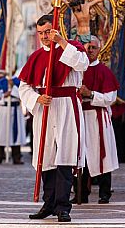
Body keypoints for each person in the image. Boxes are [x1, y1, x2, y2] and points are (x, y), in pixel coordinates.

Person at [19, 14, 89, 223]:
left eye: (47, 32)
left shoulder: (73, 47)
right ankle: (48, 203)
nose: (43, 37)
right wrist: (36, 97)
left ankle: (63, 206)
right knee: (46, 157)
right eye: (40, 33)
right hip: (45, 108)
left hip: (67, 106)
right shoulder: (36, 56)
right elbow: (24, 86)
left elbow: (81, 64)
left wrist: (61, 42)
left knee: (65, 156)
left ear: (56, 29)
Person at [73, 36, 119, 204]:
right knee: (79, 156)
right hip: (79, 116)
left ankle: (104, 193)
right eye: (87, 47)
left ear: (99, 49)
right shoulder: (76, 70)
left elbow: (110, 97)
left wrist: (90, 94)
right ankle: (80, 193)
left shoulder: (104, 71)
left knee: (102, 156)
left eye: (93, 47)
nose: (90, 50)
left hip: (97, 117)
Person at [46, 0, 119, 43]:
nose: (75, 8)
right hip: (77, 33)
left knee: (85, 53)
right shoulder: (73, 8)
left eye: (76, 7)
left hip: (86, 33)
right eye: (74, 7)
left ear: (79, 4)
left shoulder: (87, 6)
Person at [0, 70, 26, 165]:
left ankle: (17, 157)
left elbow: (23, 93)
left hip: (15, 108)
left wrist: (13, 89)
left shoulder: (18, 81)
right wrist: (5, 94)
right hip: (3, 109)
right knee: (1, 133)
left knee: (16, 133)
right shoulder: (1, 82)